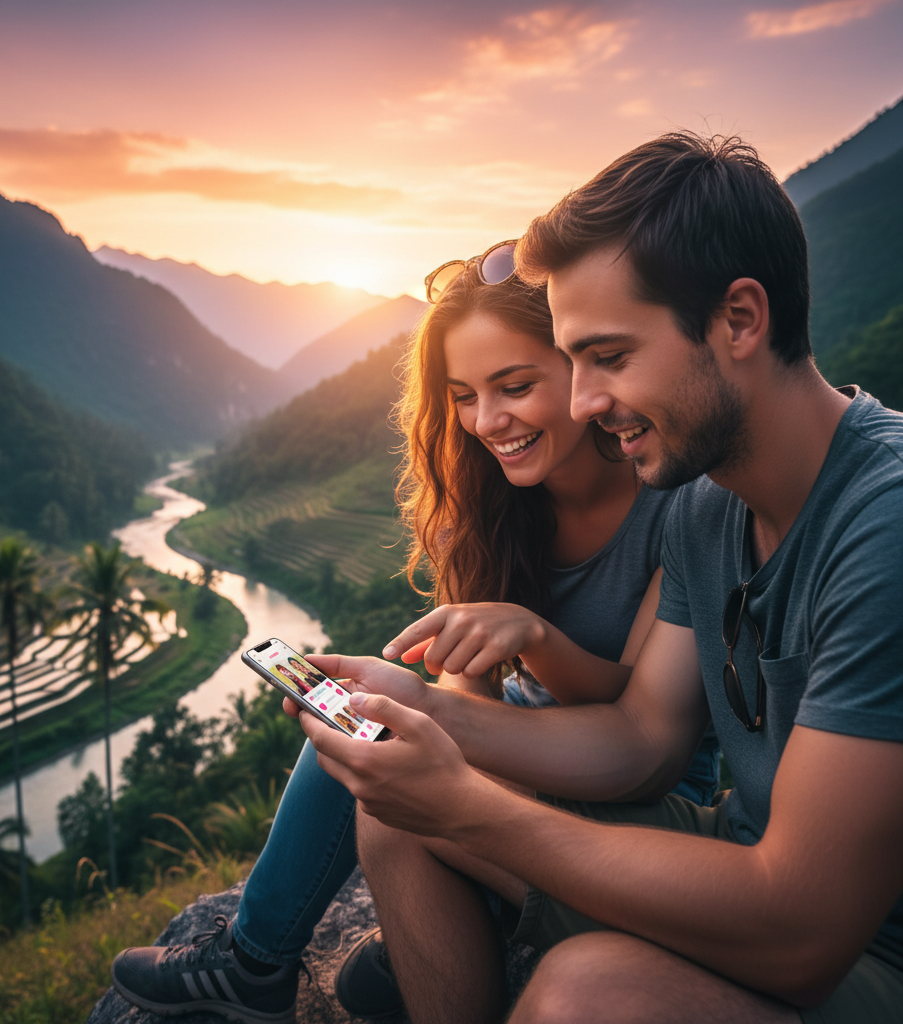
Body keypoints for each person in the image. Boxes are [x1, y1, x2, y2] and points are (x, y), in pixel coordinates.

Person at [301, 133, 903, 1024]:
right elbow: (641, 739)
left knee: (586, 992)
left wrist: (471, 807)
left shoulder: (883, 522)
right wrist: (428, 714)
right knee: (401, 805)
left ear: (740, 320)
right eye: (573, 360)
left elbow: (801, 929)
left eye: (610, 357)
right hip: (747, 854)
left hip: (862, 947)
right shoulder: (709, 506)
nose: (582, 402)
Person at [109, 241, 719, 1021]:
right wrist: (435, 695)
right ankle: (263, 959)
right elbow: (470, 684)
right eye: (463, 395)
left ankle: (268, 958)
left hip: (636, 788)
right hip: (527, 751)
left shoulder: (670, 499)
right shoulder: (499, 499)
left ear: (579, 366)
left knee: (392, 763)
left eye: (515, 386)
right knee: (368, 728)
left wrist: (531, 637)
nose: (487, 422)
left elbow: (639, 717)